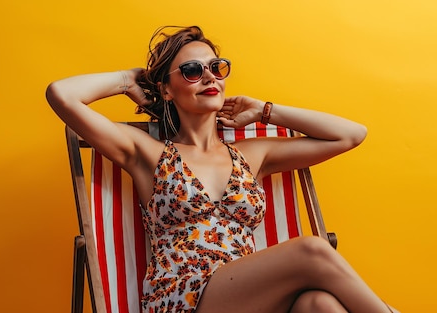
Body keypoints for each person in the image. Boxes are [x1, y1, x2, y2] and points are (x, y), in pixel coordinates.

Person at [46, 25, 398, 313]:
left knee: (318, 304)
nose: (209, 77)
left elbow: (351, 135)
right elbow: (61, 94)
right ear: (167, 89)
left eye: (216, 67)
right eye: (192, 71)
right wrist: (127, 80)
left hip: (251, 299)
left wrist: (265, 111)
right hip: (184, 298)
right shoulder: (147, 154)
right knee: (312, 250)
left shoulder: (251, 155)